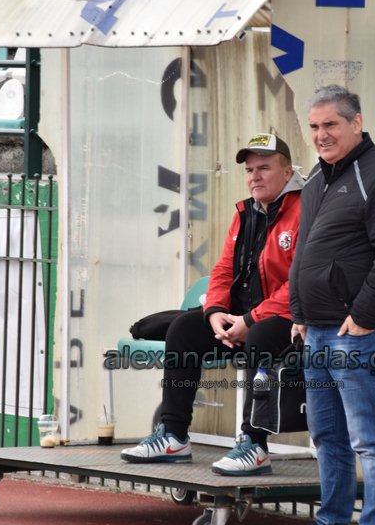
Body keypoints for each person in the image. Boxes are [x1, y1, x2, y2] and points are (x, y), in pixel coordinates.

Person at [275, 85, 375, 525]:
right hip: (315, 329)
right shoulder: (317, 176)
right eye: (314, 127)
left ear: (356, 123)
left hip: (359, 333)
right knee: (328, 437)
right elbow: (304, 252)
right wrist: (298, 312)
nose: (321, 135)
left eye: (331, 125)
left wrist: (365, 315)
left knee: (371, 439)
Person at [120, 133, 303, 477]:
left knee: (260, 336)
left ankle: (254, 444)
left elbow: (301, 282)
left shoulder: (305, 209)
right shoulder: (245, 212)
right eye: (249, 170)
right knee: (184, 329)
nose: (254, 176)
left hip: (287, 321)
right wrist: (216, 312)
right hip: (241, 318)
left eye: (264, 168)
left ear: (287, 171)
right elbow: (223, 270)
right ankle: (174, 436)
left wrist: (251, 319)